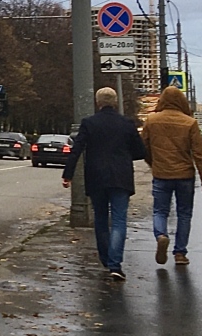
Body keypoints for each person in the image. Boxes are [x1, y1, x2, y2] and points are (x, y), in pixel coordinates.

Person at [62, 87, 146, 281]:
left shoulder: (89, 123)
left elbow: (77, 150)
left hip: (97, 177)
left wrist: (68, 174)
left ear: (97, 102)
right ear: (115, 102)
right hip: (121, 177)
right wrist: (124, 156)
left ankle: (106, 259)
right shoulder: (126, 123)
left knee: (100, 219)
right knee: (119, 220)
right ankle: (115, 264)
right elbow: (141, 151)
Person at [142, 86, 202, 266]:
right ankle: (180, 253)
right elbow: (199, 153)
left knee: (160, 211)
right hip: (185, 175)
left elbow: (144, 147)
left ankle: (161, 235)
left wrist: (154, 163)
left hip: (161, 174)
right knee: (184, 214)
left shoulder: (152, 120)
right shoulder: (189, 122)